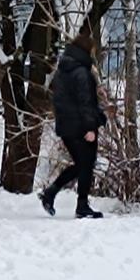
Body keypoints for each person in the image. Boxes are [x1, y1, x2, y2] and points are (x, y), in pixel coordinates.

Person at [39, 35, 108, 219]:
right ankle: (81, 205)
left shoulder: (63, 70)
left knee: (82, 164)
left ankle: (52, 193)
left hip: (66, 125)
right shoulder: (81, 73)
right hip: (80, 126)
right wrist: (90, 127)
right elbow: (85, 102)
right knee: (86, 163)